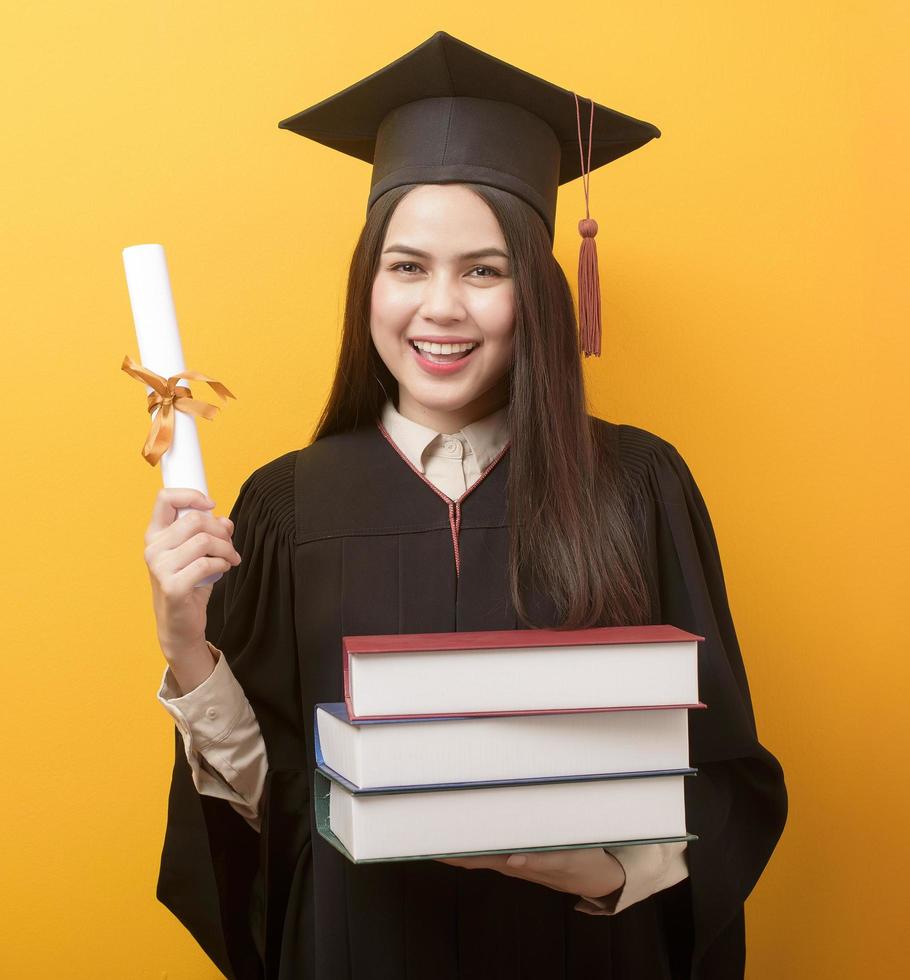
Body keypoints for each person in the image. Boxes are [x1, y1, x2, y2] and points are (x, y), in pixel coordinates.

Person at [142, 31, 787, 979]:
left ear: (539, 292)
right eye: (407, 266)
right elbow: (269, 813)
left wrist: (605, 868)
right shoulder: (289, 506)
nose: (439, 306)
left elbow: (722, 775)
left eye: (483, 270)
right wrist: (186, 647)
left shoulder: (638, 487)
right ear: (368, 285)